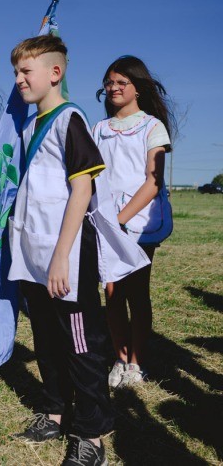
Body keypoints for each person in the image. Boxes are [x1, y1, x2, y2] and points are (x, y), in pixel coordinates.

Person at [6, 35, 114, 465]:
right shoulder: (30, 126)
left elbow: (81, 189)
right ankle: (54, 410)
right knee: (47, 340)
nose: (18, 80)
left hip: (65, 256)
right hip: (34, 256)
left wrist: (62, 255)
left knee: (81, 344)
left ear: (56, 72)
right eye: (15, 72)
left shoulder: (69, 119)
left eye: (25, 71)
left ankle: (92, 436)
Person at [92, 56, 174, 389]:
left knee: (137, 293)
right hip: (106, 223)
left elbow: (152, 182)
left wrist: (121, 220)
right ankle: (120, 357)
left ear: (137, 88)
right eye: (109, 83)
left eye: (120, 83)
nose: (113, 88)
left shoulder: (152, 127)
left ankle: (137, 364)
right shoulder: (98, 130)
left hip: (140, 224)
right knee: (111, 293)